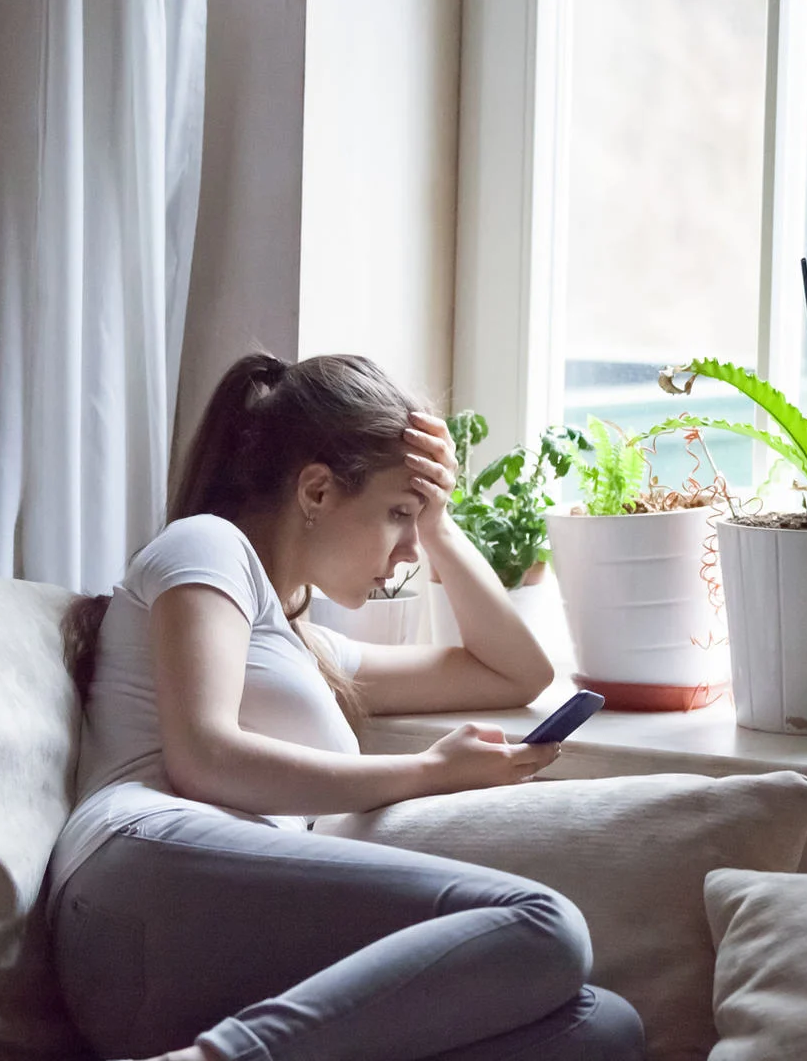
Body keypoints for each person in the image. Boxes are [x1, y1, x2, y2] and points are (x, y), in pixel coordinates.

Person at [48, 353, 645, 1061]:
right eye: (397, 515)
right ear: (318, 492)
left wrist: (439, 525)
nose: (404, 556)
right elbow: (204, 758)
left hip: (206, 954)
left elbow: (515, 672)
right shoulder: (206, 547)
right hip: (141, 879)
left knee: (600, 1027)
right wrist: (426, 772)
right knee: (544, 923)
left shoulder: (311, 646)